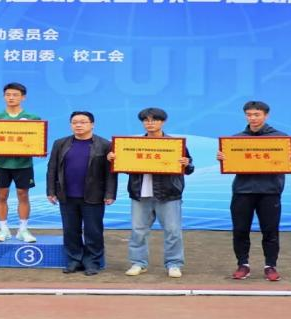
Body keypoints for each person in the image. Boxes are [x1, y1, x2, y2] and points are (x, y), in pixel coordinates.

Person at [216, 100, 291, 282]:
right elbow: (231, 162)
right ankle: (242, 265)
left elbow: (289, 162)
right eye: (249, 114)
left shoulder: (280, 138)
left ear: (266, 115)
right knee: (240, 230)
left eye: (256, 114)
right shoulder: (235, 140)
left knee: (270, 231)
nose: (252, 118)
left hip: (270, 191)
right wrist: (224, 158)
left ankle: (270, 266)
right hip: (242, 191)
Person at [107, 108, 193, 278]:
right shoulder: (132, 145)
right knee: (138, 231)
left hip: (169, 195)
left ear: (163, 122)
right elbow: (126, 167)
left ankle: (174, 264)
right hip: (140, 194)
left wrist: (186, 163)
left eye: (154, 120)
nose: (150, 123)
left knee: (173, 231)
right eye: (146, 120)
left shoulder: (175, 145)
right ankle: (138, 263)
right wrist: (114, 160)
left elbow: (189, 168)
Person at [46, 111, 116, 276]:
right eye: (75, 122)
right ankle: (74, 260)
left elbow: (111, 172)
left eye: (83, 122)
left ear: (92, 124)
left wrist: (110, 193)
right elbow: (52, 168)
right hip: (67, 195)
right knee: (70, 230)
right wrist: (51, 191)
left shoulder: (105, 145)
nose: (78, 125)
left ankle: (92, 262)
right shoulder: (60, 143)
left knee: (93, 231)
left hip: (94, 195)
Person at [0, 82, 41, 243]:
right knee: (1, 195)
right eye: (8, 94)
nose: (11, 97)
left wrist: (38, 149)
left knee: (23, 195)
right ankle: (3, 230)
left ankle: (23, 230)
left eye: (15, 95)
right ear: (4, 97)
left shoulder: (33, 118)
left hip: (24, 164)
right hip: (1, 164)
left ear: (23, 97)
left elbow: (36, 141)